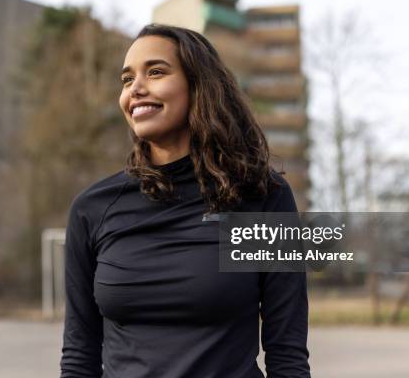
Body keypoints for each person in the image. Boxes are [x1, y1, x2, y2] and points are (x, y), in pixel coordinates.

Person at [60, 23, 310, 377]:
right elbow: (79, 353)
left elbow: (287, 352)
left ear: (199, 86)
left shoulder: (261, 197)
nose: (136, 89)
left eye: (156, 72)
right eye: (127, 79)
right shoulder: (93, 208)